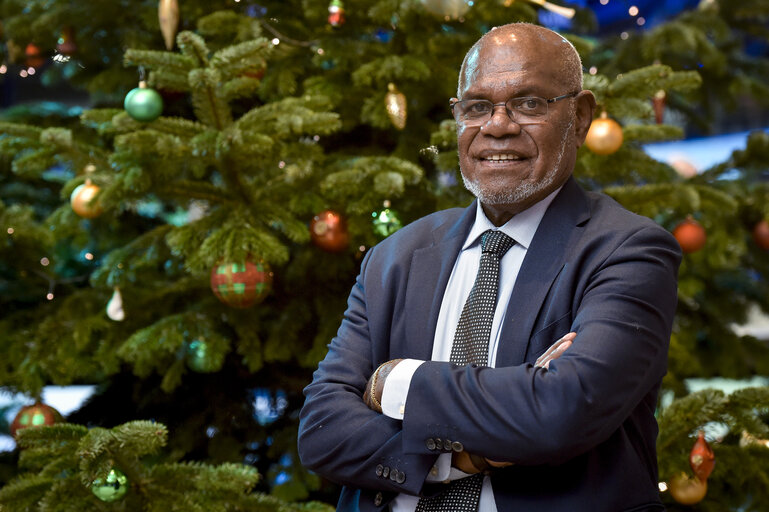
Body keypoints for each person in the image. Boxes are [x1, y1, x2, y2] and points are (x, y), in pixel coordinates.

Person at [298, 23, 681, 512]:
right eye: (477, 107)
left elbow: (561, 411)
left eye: (528, 104)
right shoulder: (394, 256)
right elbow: (322, 429)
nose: (497, 125)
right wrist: (461, 460)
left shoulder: (628, 251)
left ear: (581, 117)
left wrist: (392, 381)